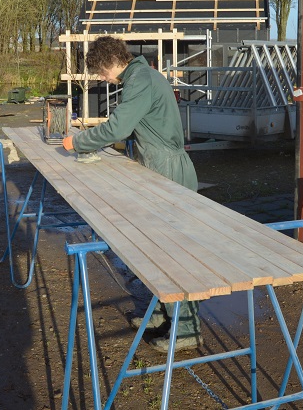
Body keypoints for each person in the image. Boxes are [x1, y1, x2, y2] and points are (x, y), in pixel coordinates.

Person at [63, 36, 202, 351]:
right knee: (151, 248)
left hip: (168, 170)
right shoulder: (143, 75)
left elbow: (117, 128)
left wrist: (78, 142)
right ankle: (159, 313)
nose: (102, 78)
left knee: (172, 254)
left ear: (111, 62)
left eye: (101, 72)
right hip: (157, 166)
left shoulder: (140, 80)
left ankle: (187, 330)